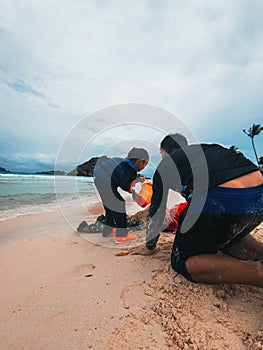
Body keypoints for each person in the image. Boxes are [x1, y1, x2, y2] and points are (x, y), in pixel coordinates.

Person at [145, 134, 263, 287]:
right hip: (259, 198)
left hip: (223, 199)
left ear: (163, 153)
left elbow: (157, 212)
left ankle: (257, 273)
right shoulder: (207, 150)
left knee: (180, 259)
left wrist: (149, 246)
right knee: (228, 239)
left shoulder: (166, 164)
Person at [93, 147, 149, 243]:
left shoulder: (126, 164)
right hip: (105, 181)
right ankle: (121, 235)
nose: (143, 168)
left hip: (99, 179)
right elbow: (124, 184)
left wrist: (137, 180)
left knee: (110, 207)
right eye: (145, 165)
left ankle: (107, 230)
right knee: (119, 204)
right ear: (140, 161)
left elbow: (125, 177)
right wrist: (131, 191)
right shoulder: (131, 168)